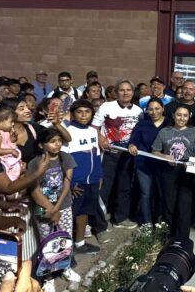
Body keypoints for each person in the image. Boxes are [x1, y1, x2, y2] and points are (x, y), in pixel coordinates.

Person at [27, 127, 80, 289]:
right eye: (52, 142)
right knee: (47, 241)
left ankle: (65, 268)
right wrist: (50, 209)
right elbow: (34, 190)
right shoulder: (35, 163)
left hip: (63, 206)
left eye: (59, 141)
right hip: (43, 208)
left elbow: (66, 184)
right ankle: (48, 276)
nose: (57, 144)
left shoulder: (66, 158)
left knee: (65, 239)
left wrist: (56, 208)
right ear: (41, 145)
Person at [92, 79, 141, 230]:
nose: (125, 93)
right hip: (109, 154)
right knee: (104, 188)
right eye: (122, 90)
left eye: (128, 90)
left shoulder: (138, 111)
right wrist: (100, 138)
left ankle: (120, 218)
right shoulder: (106, 106)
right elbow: (94, 127)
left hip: (128, 155)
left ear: (133, 92)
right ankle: (99, 225)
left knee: (124, 187)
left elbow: (140, 133)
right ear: (116, 92)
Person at [152, 104, 195, 238]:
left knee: (184, 205)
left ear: (189, 117)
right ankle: (168, 235)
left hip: (187, 172)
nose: (181, 118)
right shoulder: (164, 132)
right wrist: (165, 156)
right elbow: (155, 151)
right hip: (169, 171)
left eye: (185, 115)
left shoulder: (194, 131)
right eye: (179, 115)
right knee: (169, 204)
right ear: (173, 116)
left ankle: (182, 237)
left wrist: (192, 163)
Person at [63, 100, 105, 250]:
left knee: (84, 212)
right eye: (79, 112)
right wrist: (71, 182)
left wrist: (99, 175)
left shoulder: (93, 131)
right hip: (77, 183)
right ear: (72, 114)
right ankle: (64, 248)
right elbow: (64, 160)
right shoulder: (68, 132)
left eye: (87, 112)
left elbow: (97, 155)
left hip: (92, 181)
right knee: (70, 215)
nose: (83, 115)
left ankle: (79, 243)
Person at [128, 97, 170, 225]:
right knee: (146, 194)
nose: (154, 112)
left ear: (163, 108)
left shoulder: (170, 123)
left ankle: (160, 223)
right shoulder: (142, 124)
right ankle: (147, 224)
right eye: (150, 109)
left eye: (157, 108)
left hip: (164, 166)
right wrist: (132, 145)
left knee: (162, 195)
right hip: (144, 164)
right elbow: (133, 140)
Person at [0, 107, 22, 181]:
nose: (13, 124)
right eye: (11, 121)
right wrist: (11, 151)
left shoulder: (3, 132)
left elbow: (5, 143)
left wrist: (12, 140)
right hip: (5, 161)